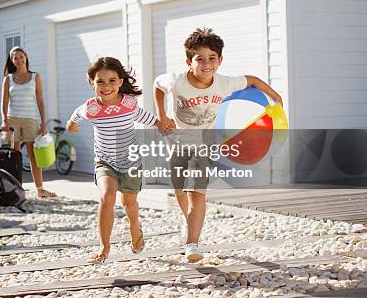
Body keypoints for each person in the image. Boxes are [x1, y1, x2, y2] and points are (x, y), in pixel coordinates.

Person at [153, 27, 283, 262]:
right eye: (199, 59)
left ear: (220, 60)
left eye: (212, 58)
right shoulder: (176, 81)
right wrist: (162, 116)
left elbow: (252, 80)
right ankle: (187, 221)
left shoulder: (224, 83)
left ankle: (192, 244)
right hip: (178, 141)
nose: (206, 64)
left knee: (196, 192)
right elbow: (157, 86)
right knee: (179, 189)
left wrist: (277, 97)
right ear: (188, 61)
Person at [67, 57, 165, 264]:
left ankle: (134, 227)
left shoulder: (128, 103)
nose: (106, 86)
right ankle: (104, 247)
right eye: (100, 81)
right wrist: (71, 124)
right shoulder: (92, 108)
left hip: (131, 162)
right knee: (107, 197)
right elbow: (76, 114)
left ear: (121, 81)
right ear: (91, 82)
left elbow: (144, 117)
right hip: (105, 161)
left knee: (129, 203)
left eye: (112, 81)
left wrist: (161, 124)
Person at [1, 46, 56, 198]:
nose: (18, 60)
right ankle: (16, 188)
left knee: (33, 156)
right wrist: (4, 120)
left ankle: (40, 189)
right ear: (12, 61)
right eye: (15, 58)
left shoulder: (35, 77)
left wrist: (44, 122)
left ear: (25, 57)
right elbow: (4, 102)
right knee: (15, 156)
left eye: (20, 56)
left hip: (31, 119)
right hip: (13, 120)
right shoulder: (8, 79)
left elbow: (40, 101)